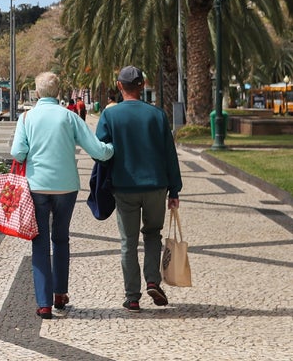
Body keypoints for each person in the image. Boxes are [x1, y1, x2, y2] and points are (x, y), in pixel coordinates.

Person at [10, 72, 114, 319]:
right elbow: (97, 150)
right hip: (66, 187)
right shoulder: (69, 117)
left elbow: (17, 152)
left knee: (40, 242)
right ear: (57, 93)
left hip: (36, 187)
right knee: (61, 238)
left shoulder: (26, 118)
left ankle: (44, 303)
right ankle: (60, 294)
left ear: (37, 92)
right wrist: (113, 149)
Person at [95, 65, 182, 313]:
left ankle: (132, 297)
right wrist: (174, 190)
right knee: (153, 233)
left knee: (128, 242)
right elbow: (169, 155)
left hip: (125, 187)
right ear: (142, 86)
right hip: (156, 186)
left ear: (119, 86)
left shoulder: (110, 116)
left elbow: (102, 150)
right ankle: (153, 280)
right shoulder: (157, 115)